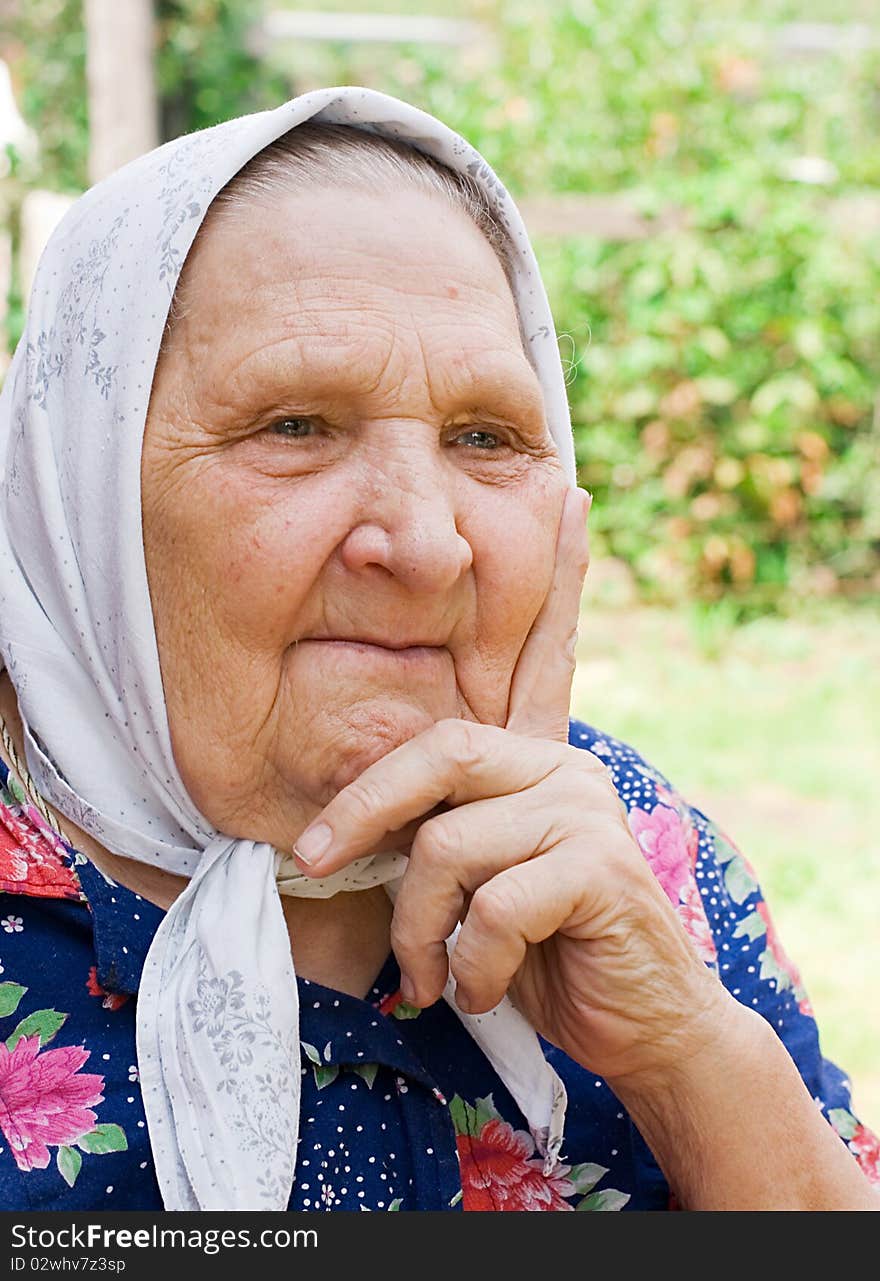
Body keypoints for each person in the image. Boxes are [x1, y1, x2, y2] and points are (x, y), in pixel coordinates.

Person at [0, 85, 876, 1214]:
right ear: (78, 499)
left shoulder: (635, 849)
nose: (424, 542)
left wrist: (684, 1051)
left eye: (485, 437)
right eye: (295, 427)